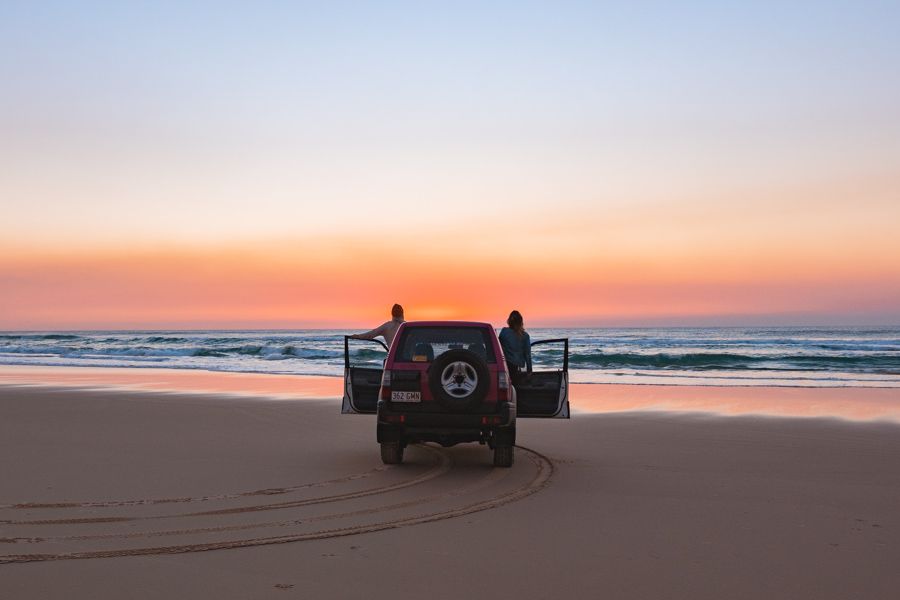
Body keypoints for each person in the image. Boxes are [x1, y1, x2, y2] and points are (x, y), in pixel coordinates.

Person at [498, 310, 531, 383]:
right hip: (517, 368)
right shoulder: (525, 336)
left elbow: (498, 348)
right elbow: (527, 355)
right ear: (521, 322)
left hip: (504, 366)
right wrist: (529, 371)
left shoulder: (504, 332)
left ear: (509, 321)